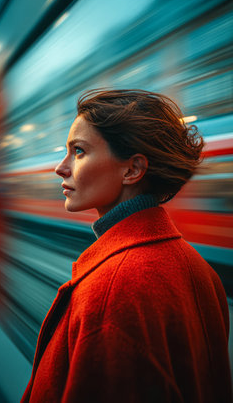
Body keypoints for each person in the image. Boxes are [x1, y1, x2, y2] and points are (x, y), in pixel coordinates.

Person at [21, 89, 232, 402]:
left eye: (78, 151)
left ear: (132, 170)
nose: (60, 168)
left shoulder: (113, 290)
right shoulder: (199, 270)